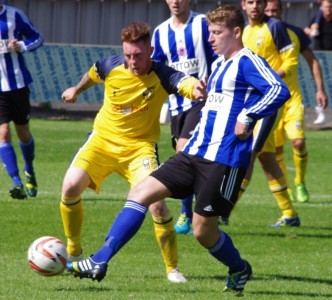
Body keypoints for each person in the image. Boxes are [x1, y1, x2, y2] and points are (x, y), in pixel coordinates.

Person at [67, 6, 290, 296]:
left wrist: (248, 116)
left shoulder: (248, 61)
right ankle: (99, 260)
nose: (211, 38)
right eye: (209, 32)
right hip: (192, 154)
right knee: (139, 193)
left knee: (203, 232)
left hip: (224, 161)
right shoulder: (221, 64)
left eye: (217, 33)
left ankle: (239, 269)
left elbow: (278, 89)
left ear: (237, 32)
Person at [60, 21, 207, 283]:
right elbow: (93, 74)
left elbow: (184, 82)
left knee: (158, 206)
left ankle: (172, 268)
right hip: (102, 141)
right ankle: (74, 248)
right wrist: (75, 89)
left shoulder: (161, 74)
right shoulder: (111, 65)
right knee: (70, 186)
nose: (132, 61)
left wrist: (197, 89)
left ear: (150, 50)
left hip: (139, 149)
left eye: (137, 55)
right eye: (127, 55)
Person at [151, 0, 217, 234]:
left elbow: (218, 54)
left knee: (183, 151)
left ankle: (188, 213)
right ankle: (203, 208)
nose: (176, 1)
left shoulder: (202, 24)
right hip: (176, 104)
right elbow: (156, 68)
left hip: (203, 100)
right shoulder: (160, 32)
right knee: (188, 158)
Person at [240, 0, 300, 227]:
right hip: (252, 103)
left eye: (259, 2)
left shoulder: (274, 27)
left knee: (248, 153)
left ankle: (225, 209)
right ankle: (290, 214)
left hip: (269, 103)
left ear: (265, 5)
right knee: (266, 159)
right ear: (243, 5)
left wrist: (270, 80)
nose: (255, 6)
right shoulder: (244, 31)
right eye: (250, 2)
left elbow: (291, 61)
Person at [264, 0, 329, 202]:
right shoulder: (256, 33)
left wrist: (320, 89)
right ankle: (287, 188)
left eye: (275, 10)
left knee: (298, 142)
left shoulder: (294, 33)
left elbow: (312, 60)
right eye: (268, 10)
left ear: (282, 11)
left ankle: (300, 182)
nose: (271, 13)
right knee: (277, 149)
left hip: (292, 99)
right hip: (270, 102)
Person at [0, 5, 43, 200]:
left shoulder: (14, 15)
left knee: (23, 134)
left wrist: (21, 46)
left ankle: (29, 169)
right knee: (3, 133)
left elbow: (38, 38)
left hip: (18, 84)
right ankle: (16, 182)